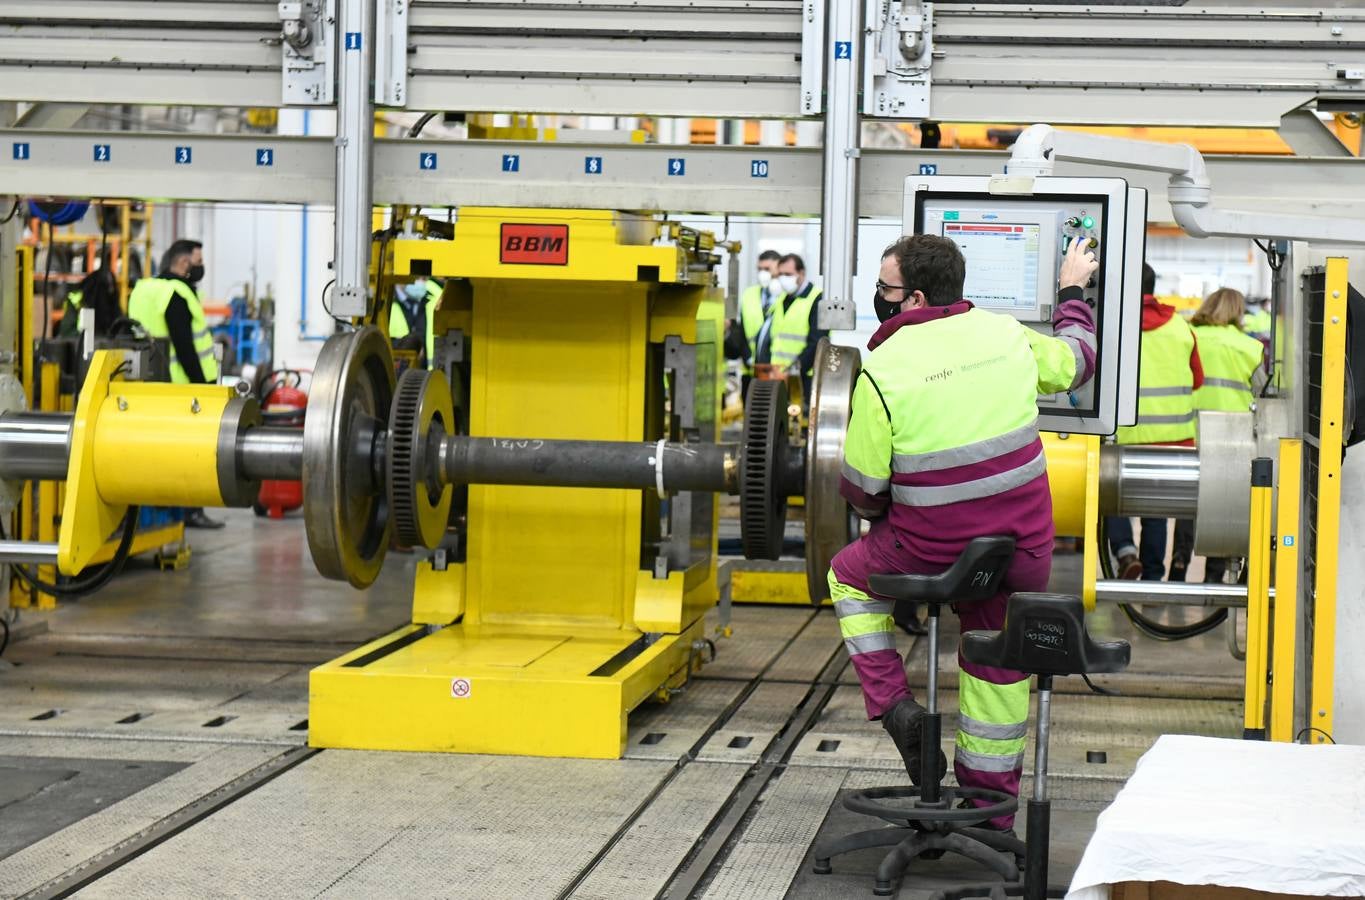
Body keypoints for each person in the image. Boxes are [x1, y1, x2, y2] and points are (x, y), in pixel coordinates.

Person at [830, 234, 1098, 831]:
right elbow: (1078, 359)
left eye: (885, 288)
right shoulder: (1005, 334)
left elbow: (864, 491)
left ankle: (896, 707)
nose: (879, 297)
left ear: (916, 297)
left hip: (931, 554)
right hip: (1020, 550)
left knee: (848, 577)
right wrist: (1072, 290)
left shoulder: (883, 369)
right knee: (995, 658)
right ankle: (988, 815)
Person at [1104, 264, 1203, 580]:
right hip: (1173, 439)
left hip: (1123, 437)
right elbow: (1197, 379)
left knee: (1109, 500)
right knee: (1156, 514)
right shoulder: (1180, 326)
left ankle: (1124, 552)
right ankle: (1151, 578)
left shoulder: (1115, 325)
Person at [1170, 287, 1267, 583]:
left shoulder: (1189, 336)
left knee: (1190, 504)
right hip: (1231, 439)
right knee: (1221, 505)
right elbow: (1261, 392)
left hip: (1192, 431)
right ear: (1238, 312)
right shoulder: (1250, 348)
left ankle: (1177, 567)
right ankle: (1213, 578)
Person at [128, 238, 223, 530]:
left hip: (144, 385)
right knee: (191, 453)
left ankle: (152, 506)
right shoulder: (177, 293)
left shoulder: (144, 289)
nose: (200, 267)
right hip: (183, 390)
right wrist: (202, 387)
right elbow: (185, 347)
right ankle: (191, 511)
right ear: (184, 263)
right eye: (198, 261)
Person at [752, 253, 827, 401]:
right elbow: (770, 338)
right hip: (776, 377)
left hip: (804, 379)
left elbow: (817, 343)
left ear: (801, 273)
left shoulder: (817, 299)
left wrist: (793, 371)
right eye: (780, 274)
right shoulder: (781, 299)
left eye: (788, 274)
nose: (783, 279)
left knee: (800, 421)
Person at [732, 250, 782, 399]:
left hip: (777, 372)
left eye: (767, 269)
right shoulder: (749, 294)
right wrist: (747, 358)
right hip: (751, 370)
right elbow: (742, 332)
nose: (762, 273)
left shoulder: (787, 297)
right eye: (759, 269)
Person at [390, 277, 443, 368]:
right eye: (416, 277)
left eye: (424, 278)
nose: (420, 282)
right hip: (398, 374)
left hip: (429, 374)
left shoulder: (436, 296)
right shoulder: (385, 302)